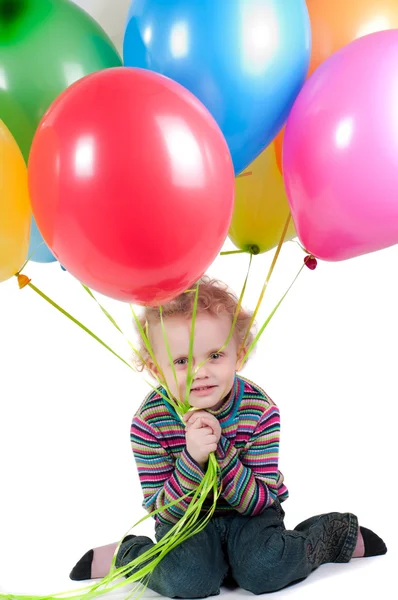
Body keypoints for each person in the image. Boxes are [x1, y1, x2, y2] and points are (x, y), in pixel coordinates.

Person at [70, 276, 387, 596]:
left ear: (240, 354)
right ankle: (129, 555)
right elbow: (163, 510)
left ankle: (331, 535)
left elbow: (261, 500)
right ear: (156, 369)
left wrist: (219, 449)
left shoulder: (259, 410)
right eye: (181, 361)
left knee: (265, 569)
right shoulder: (149, 423)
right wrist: (192, 458)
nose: (200, 372)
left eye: (215, 356)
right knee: (187, 580)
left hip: (248, 514)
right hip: (185, 520)